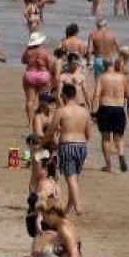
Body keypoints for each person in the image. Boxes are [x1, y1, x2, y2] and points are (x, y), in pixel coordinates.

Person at [45, 82, 92, 214]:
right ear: (75, 95)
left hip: (67, 145)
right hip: (82, 146)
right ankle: (69, 207)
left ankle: (78, 207)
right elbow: (88, 134)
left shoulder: (61, 111)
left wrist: (43, 141)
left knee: (70, 178)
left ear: (64, 96)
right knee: (75, 178)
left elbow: (51, 131)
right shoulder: (85, 112)